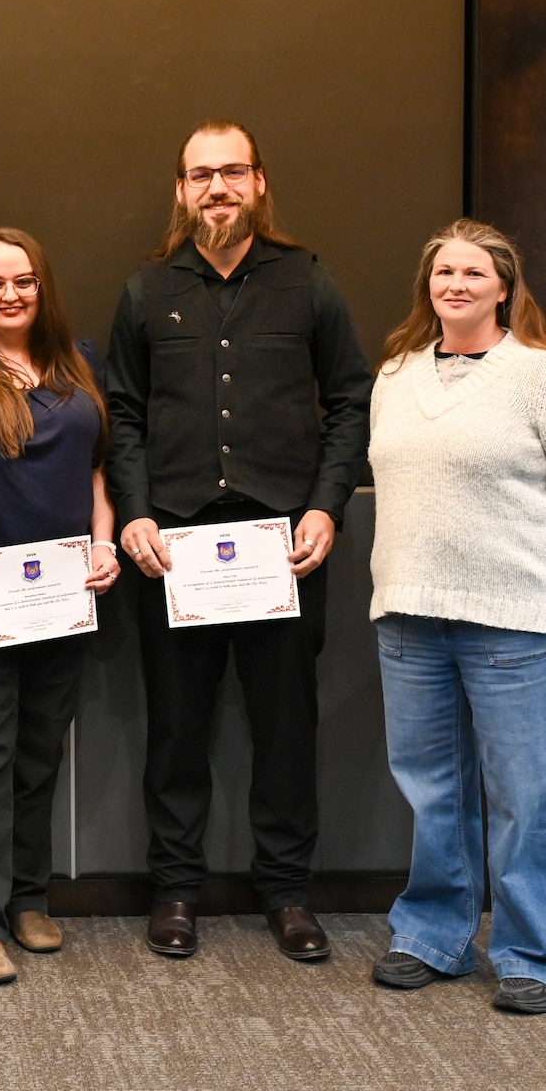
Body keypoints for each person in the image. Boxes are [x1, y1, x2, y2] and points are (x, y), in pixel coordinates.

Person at [105, 119, 371, 960]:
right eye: (200, 174)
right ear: (181, 191)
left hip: (285, 549)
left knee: (286, 729)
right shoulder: (146, 292)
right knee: (176, 729)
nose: (216, 187)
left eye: (232, 172)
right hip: (173, 546)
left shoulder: (309, 284)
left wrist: (327, 506)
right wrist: (134, 511)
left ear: (258, 182)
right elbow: (124, 416)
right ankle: (175, 889)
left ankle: (287, 892)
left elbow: (351, 402)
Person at [367, 220, 546, 1015]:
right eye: (444, 271)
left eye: (474, 272)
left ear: (503, 287)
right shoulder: (396, 374)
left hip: (515, 615)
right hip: (409, 615)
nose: (456, 284)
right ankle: (432, 935)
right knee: (432, 788)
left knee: (527, 792)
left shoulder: (543, 376)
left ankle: (536, 952)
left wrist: (535, 549)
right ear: (428, 284)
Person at [0, 229, 119, 984]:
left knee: (38, 755)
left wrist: (103, 543)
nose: (10, 295)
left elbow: (97, 471)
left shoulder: (81, 363)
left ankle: (28, 899)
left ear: (43, 287)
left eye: (23, 281)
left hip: (63, 596)